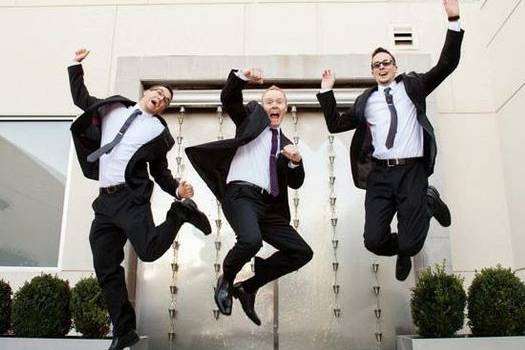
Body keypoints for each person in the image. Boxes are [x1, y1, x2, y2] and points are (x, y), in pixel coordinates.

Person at [68, 48, 211, 350]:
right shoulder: (112, 109)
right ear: (147, 93)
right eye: (158, 92)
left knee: (147, 251)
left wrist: (176, 191)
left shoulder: (158, 133)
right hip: (105, 203)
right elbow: (81, 98)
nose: (161, 98)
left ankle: (179, 214)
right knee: (105, 265)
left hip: (131, 200)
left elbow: (159, 171)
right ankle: (124, 331)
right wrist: (75, 65)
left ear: (163, 108)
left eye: (167, 100)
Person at [317, 0, 464, 281]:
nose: (382, 67)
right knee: (373, 240)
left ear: (395, 67)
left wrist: (453, 19)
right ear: (372, 71)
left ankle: (426, 204)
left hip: (411, 171)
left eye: (386, 62)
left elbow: (448, 64)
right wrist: (326, 92)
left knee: (412, 243)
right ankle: (408, 238)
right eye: (376, 65)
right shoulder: (365, 101)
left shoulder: (414, 86)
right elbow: (335, 124)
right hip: (380, 175)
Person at [186, 68, 313, 325]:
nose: (274, 105)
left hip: (266, 205)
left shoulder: (287, 144)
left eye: (279, 102)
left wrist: (296, 162)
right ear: (262, 107)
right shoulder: (250, 119)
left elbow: (296, 183)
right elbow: (229, 98)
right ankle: (227, 280)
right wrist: (241, 77)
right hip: (240, 193)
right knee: (251, 240)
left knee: (302, 252)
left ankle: (248, 288)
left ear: (286, 109)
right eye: (269, 101)